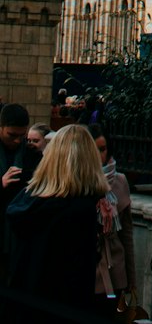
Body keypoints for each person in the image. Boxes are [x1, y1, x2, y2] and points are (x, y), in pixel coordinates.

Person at [5, 123, 109, 324]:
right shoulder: (80, 209)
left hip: (24, 302)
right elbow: (78, 274)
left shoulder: (28, 200)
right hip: (61, 309)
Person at [92, 123, 140, 319]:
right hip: (91, 270)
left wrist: (132, 281)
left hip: (116, 271)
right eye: (93, 149)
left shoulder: (119, 181)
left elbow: (127, 233)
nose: (99, 155)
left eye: (102, 149)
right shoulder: (76, 181)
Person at [0, 103, 43, 285]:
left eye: (22, 136)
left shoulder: (32, 156)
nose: (18, 140)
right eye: (12, 135)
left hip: (21, 235)